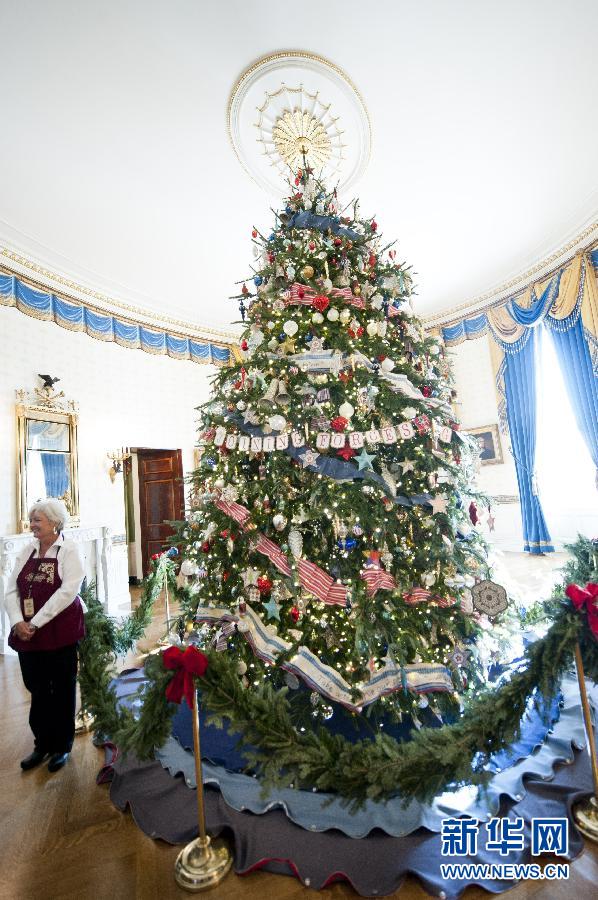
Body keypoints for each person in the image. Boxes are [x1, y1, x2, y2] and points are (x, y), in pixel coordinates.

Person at [6, 498, 85, 772]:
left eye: (38, 519)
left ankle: (62, 747)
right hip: (28, 635)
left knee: (62, 689)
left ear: (55, 523)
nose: (33, 525)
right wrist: (18, 621)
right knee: (37, 688)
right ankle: (42, 744)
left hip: (60, 632)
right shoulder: (27, 550)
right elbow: (11, 590)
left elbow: (67, 593)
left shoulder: (69, 550)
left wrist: (35, 622)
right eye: (32, 519)